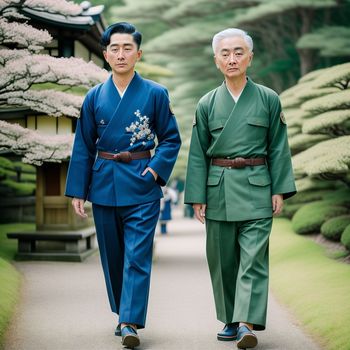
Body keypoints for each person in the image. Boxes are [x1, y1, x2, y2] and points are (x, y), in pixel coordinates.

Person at [65, 22, 181, 349]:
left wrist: (156, 172)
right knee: (112, 257)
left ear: (138, 53)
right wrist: (78, 189)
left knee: (136, 256)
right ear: (105, 54)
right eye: (114, 48)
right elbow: (83, 145)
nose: (120, 54)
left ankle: (129, 322)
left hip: (142, 184)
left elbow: (171, 139)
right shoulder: (93, 97)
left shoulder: (156, 93)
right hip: (103, 183)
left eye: (127, 48)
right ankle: (122, 311)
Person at [184, 28, 296, 349]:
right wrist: (197, 197)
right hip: (217, 187)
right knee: (222, 260)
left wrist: (280, 188)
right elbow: (197, 154)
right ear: (216, 61)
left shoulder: (269, 99)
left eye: (238, 52)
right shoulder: (206, 103)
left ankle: (246, 323)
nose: (232, 59)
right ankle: (231, 319)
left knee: (253, 259)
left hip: (258, 186)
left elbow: (278, 147)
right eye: (225, 54)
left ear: (249, 57)